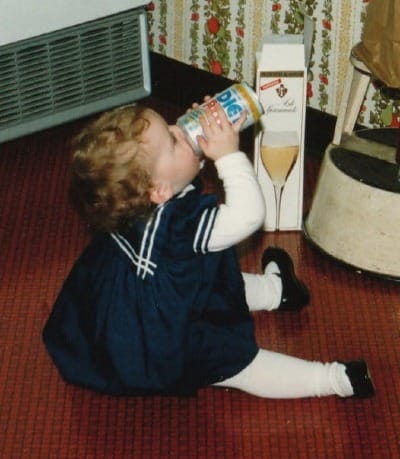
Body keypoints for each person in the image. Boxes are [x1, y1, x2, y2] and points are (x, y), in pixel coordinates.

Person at [42, 100, 374, 399]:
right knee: (240, 362)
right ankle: (333, 379)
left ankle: (278, 291)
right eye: (173, 140)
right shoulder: (180, 227)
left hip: (141, 292)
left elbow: (199, 272)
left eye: (172, 125)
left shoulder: (131, 201)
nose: (180, 129)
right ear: (159, 189)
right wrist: (229, 156)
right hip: (172, 333)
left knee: (213, 277)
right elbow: (249, 216)